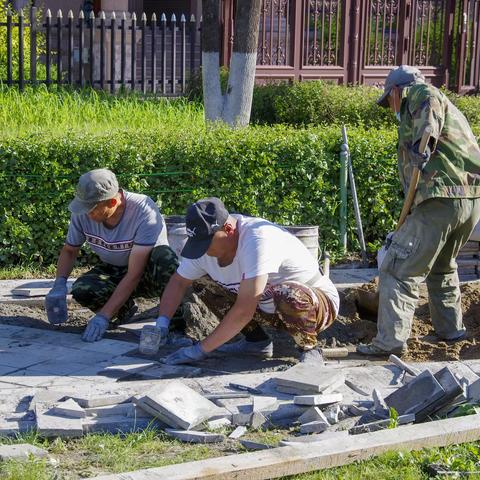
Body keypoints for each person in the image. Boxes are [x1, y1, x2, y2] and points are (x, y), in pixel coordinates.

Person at [357, 65, 480, 356]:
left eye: (389, 100)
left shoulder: (421, 93)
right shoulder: (447, 106)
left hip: (441, 197)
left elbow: (429, 119)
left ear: (397, 91)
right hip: (469, 199)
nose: (391, 107)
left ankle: (390, 342)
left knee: (398, 269)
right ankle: (451, 332)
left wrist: (422, 145)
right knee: (442, 267)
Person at [139, 197, 339, 365]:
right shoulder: (203, 246)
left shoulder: (258, 239)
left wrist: (199, 350)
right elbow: (178, 282)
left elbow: (244, 309)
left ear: (228, 228)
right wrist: (162, 324)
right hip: (266, 307)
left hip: (316, 305)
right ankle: (256, 343)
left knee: (287, 294)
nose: (204, 250)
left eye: (208, 242)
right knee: (202, 283)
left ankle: (309, 350)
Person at [45, 168, 178, 342]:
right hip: (113, 268)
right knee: (83, 289)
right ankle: (123, 311)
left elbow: (134, 274)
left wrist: (103, 316)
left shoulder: (144, 211)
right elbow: (70, 250)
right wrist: (59, 284)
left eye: (92, 209)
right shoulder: (83, 211)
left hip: (148, 272)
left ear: (113, 201)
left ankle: (176, 327)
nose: (87, 214)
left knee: (165, 258)